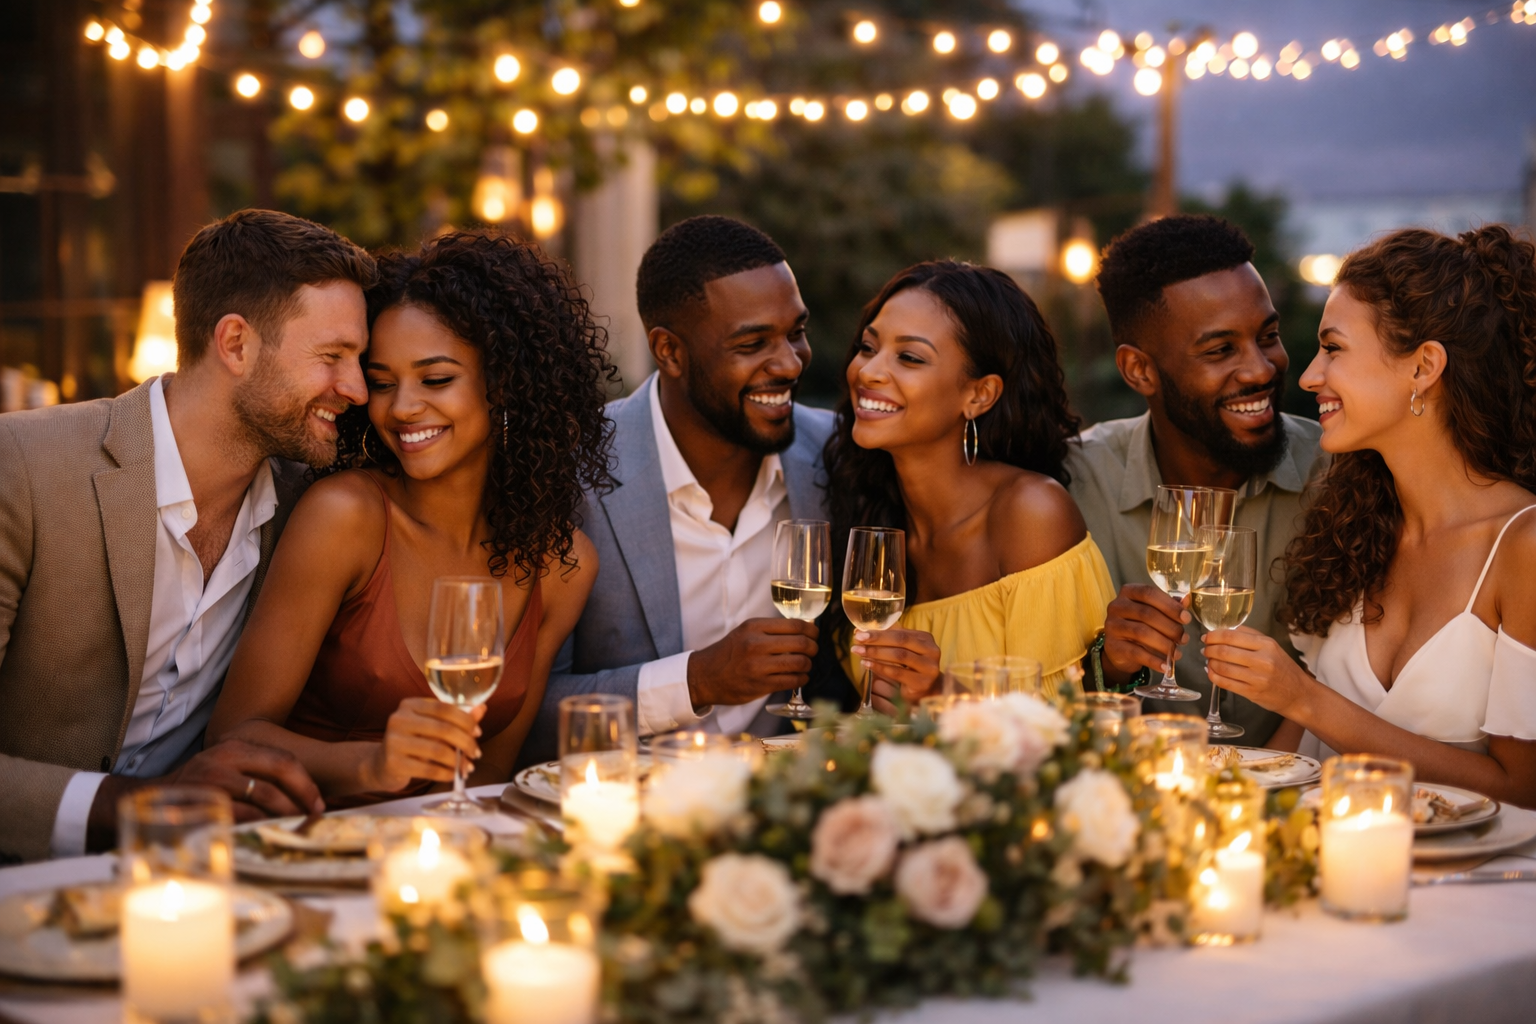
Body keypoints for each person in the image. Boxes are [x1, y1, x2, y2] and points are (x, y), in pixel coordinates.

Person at [0, 209, 374, 861]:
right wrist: (137, 807)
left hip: (213, 882)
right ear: (235, 344)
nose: (357, 389)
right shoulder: (25, 469)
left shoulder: (307, 509)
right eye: (333, 357)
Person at [208, 233, 610, 802]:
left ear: (504, 385)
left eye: (437, 379)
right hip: (307, 852)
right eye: (381, 383)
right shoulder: (346, 519)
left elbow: (489, 777)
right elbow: (230, 738)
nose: (401, 408)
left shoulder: (561, 566)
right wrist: (372, 764)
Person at [1205, 225, 1536, 807]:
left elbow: (1525, 789)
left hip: (1480, 887)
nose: (1308, 376)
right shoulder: (1357, 526)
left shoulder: (1522, 546)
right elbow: (1304, 749)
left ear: (1424, 366)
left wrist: (1302, 697)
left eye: (1333, 348)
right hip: (1328, 865)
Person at [521, 216, 836, 765]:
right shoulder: (569, 473)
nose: (789, 362)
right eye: (753, 342)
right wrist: (696, 679)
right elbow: (523, 713)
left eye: (796, 332)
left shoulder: (836, 457)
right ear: (669, 351)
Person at [1068, 215, 1326, 746]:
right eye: (1219, 350)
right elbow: (1038, 689)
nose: (1260, 369)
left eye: (1268, 336)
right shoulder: (1075, 483)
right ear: (1139, 370)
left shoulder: (1340, 475)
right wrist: (1111, 667)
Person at [824, 260, 1117, 710]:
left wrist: (941, 696)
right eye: (868, 347)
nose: (868, 372)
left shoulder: (1031, 514)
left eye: (910, 357)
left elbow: (1067, 728)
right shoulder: (868, 513)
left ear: (979, 395)